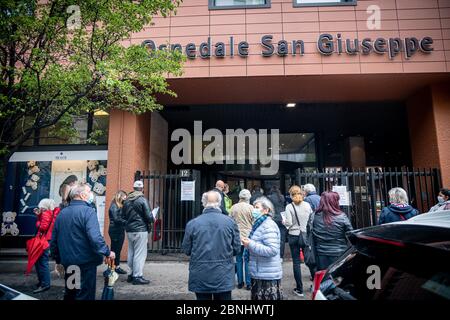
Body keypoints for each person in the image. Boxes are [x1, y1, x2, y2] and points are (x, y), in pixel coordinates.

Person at [50, 183, 115, 300]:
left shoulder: (62, 213)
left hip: (70, 263)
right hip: (86, 264)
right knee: (85, 295)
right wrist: (107, 252)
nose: (91, 194)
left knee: (72, 293)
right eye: (89, 191)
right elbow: (95, 238)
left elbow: (54, 240)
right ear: (82, 195)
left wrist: (58, 259)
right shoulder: (88, 212)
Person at [182, 190, 241, 300]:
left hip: (200, 272)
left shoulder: (192, 224)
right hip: (223, 272)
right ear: (219, 203)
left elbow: (186, 249)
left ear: (203, 203)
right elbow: (237, 248)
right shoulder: (230, 222)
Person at [242, 196, 283, 300]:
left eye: (257, 207)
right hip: (260, 272)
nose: (254, 210)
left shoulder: (268, 225)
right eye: (254, 207)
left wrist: (250, 244)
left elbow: (272, 250)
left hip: (267, 276)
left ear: (266, 210)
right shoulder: (259, 224)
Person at [122, 180, 153, 285]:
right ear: (142, 189)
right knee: (139, 254)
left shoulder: (126, 200)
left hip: (129, 230)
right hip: (140, 230)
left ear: (133, 188)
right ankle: (137, 276)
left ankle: (130, 274)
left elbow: (123, 216)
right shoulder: (142, 200)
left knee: (131, 252)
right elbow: (149, 216)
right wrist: (152, 219)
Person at [313, 191, 353, 271]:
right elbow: (351, 234)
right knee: (338, 279)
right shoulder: (342, 217)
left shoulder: (314, 216)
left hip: (320, 253)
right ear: (335, 202)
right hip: (339, 253)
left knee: (323, 278)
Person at [284, 185, 312, 297]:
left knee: (296, 263)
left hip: (293, 236)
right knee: (309, 260)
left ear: (291, 195)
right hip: (305, 235)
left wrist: (284, 222)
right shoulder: (307, 205)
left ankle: (299, 289)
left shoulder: (289, 207)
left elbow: (289, 223)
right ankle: (315, 285)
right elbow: (311, 219)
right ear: (301, 193)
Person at [31, 199, 60, 294]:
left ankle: (45, 284)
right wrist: (39, 215)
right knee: (41, 261)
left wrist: (38, 219)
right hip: (47, 240)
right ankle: (42, 282)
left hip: (44, 241)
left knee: (42, 262)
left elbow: (42, 227)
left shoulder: (46, 213)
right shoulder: (51, 213)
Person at [229, 189, 254, 290]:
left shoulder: (234, 207)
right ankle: (248, 283)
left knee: (238, 260)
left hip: (237, 237)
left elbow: (229, 221)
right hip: (248, 237)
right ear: (248, 197)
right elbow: (255, 221)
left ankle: (240, 282)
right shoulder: (251, 208)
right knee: (247, 260)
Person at [108, 190, 127, 275]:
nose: (125, 199)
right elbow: (116, 219)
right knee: (115, 250)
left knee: (117, 250)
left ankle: (115, 266)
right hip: (115, 230)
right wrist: (126, 221)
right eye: (124, 197)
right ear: (120, 196)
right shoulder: (114, 206)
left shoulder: (117, 205)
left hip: (118, 230)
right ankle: (112, 267)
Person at [267, 185, 287, 258]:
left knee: (273, 237)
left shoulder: (269, 198)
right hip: (282, 218)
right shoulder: (281, 197)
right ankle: (281, 255)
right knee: (282, 238)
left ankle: (275, 254)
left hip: (273, 218)